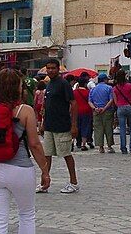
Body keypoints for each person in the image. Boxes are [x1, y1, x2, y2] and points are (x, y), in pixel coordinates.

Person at [0, 69, 50, 234]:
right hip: (21, 169)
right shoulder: (25, 111)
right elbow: (34, 144)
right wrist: (44, 170)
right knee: (26, 214)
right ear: (17, 88)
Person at [38, 58, 79, 193]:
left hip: (62, 126)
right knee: (47, 155)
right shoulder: (48, 85)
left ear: (58, 69)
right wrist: (43, 124)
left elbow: (73, 103)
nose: (50, 70)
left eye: (53, 68)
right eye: (48, 68)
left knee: (66, 154)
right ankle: (44, 182)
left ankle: (74, 182)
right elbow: (46, 106)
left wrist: (74, 125)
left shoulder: (63, 84)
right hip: (49, 126)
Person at [88, 73, 115, 153]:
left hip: (96, 111)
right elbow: (111, 100)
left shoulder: (93, 89)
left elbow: (89, 101)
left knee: (98, 129)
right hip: (107, 111)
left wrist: (95, 108)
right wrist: (104, 108)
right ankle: (109, 146)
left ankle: (101, 147)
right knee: (108, 128)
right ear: (105, 80)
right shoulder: (109, 88)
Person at [112, 70, 131, 155]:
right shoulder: (130, 86)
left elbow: (115, 102)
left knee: (122, 129)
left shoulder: (115, 88)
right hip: (130, 107)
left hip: (120, 108)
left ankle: (123, 148)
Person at [73, 77, 93, 151]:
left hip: (76, 111)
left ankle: (73, 142)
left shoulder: (74, 92)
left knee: (76, 127)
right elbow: (90, 101)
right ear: (85, 84)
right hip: (86, 111)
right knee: (85, 127)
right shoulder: (88, 92)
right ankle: (83, 144)